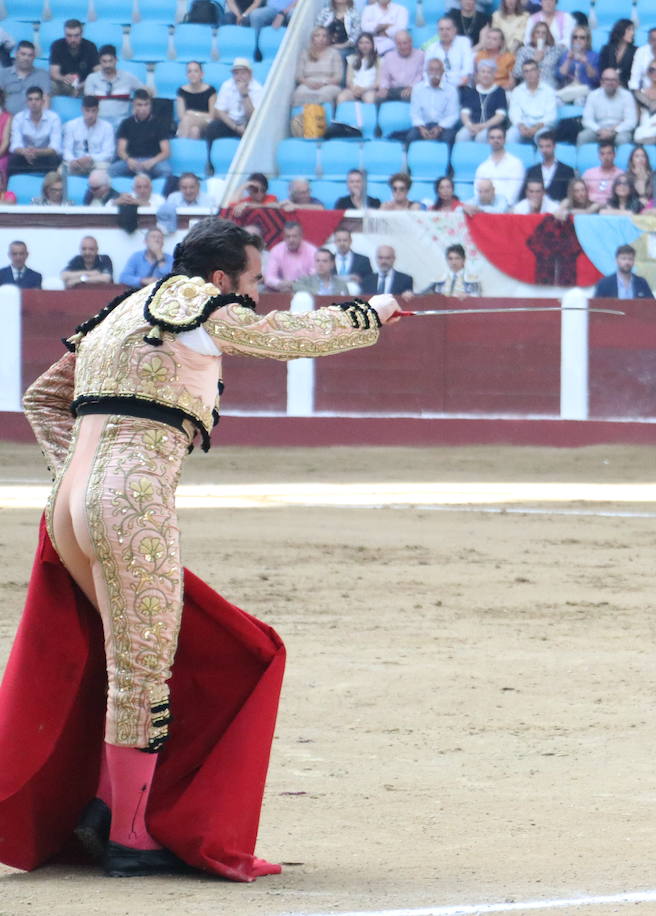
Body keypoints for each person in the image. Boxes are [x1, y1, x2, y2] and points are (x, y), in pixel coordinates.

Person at [5, 218, 402, 880]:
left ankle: (105, 807)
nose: (255, 297)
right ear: (220, 280)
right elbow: (290, 337)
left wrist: (75, 477)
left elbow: (41, 397)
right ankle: (131, 838)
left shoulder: (123, 312)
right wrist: (375, 313)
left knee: (128, 654)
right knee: (141, 667)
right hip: (130, 503)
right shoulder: (197, 304)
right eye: (251, 283)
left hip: (70, 507)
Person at [111, 90, 171, 179]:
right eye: (139, 105)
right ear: (134, 105)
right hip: (131, 160)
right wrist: (129, 160)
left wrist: (152, 161)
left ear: (151, 105)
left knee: (166, 171)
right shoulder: (126, 123)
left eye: (146, 104)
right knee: (110, 171)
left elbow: (166, 152)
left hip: (152, 160)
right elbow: (120, 150)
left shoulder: (159, 124)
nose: (143, 108)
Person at [205, 59, 263, 143]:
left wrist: (245, 95)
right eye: (236, 73)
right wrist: (235, 127)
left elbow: (253, 116)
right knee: (212, 128)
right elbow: (219, 111)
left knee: (254, 128)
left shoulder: (258, 89)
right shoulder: (227, 85)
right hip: (230, 122)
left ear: (250, 74)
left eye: (243, 73)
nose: (239, 77)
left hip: (248, 123)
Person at [84, 45, 144, 126]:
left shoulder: (127, 77)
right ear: (100, 62)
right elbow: (89, 103)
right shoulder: (92, 79)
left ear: (116, 60)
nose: (107, 65)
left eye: (110, 61)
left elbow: (145, 93)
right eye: (104, 61)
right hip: (99, 121)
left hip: (122, 121)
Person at [407, 57, 460, 146]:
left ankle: (447, 160)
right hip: (423, 125)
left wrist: (439, 128)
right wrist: (421, 128)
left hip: (443, 127)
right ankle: (407, 159)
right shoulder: (418, 89)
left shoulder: (451, 90)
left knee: (448, 138)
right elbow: (414, 113)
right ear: (427, 72)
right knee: (411, 137)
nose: (434, 73)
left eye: (437, 70)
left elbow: (453, 115)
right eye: (431, 70)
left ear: (443, 72)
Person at [9, 86, 63, 174]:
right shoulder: (18, 118)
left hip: (45, 156)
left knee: (54, 159)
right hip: (25, 156)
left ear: (42, 101)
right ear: (26, 102)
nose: (33, 102)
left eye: (37, 99)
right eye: (30, 99)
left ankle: (50, 185)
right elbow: (15, 145)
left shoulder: (54, 118)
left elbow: (55, 147)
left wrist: (37, 152)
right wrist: (25, 152)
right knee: (13, 160)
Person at [578, 67, 637, 145]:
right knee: (583, 137)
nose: (610, 83)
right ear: (601, 82)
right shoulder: (593, 95)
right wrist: (600, 130)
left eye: (613, 80)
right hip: (598, 130)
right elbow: (586, 120)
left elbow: (631, 121)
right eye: (607, 79)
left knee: (623, 139)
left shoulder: (627, 96)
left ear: (618, 82)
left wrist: (614, 131)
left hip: (619, 131)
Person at [62, 95, 116, 176]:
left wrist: (90, 158)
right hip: (76, 162)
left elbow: (108, 154)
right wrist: (73, 160)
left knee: (108, 170)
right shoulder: (71, 125)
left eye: (93, 111)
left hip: (97, 163)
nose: (90, 115)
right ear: (82, 110)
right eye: (87, 111)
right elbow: (66, 150)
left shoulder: (107, 127)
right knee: (61, 170)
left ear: (98, 111)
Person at [508, 57, 557, 144]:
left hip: (542, 126)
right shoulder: (517, 91)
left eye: (532, 70)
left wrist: (536, 128)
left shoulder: (548, 90)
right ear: (523, 74)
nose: (530, 74)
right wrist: (521, 126)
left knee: (543, 138)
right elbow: (514, 112)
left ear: (539, 71)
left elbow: (551, 116)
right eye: (526, 71)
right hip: (523, 125)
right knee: (510, 136)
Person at [458, 59, 508, 142]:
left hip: (492, 127)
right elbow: (464, 113)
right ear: (478, 74)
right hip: (472, 125)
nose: (486, 75)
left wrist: (484, 126)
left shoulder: (500, 92)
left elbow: (500, 116)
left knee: (481, 137)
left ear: (494, 75)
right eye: (483, 72)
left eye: (489, 72)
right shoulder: (472, 92)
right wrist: (469, 125)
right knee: (462, 136)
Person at [292, 27, 344, 106]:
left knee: (323, 95)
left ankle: (321, 117)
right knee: (299, 93)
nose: (321, 38)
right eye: (318, 35)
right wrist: (308, 83)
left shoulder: (334, 53)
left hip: (328, 84)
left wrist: (323, 83)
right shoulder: (305, 53)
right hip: (308, 83)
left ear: (328, 38)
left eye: (324, 36)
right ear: (313, 38)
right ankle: (300, 117)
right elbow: (299, 76)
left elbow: (338, 77)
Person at [48, 20, 99, 98]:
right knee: (49, 86)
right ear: (64, 34)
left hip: (84, 84)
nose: (73, 39)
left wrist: (82, 85)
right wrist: (63, 78)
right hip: (63, 83)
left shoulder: (90, 47)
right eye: (69, 35)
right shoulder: (57, 46)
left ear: (82, 34)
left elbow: (98, 72)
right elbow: (54, 73)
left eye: (76, 35)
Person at [474, 124, 524, 201]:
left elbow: (513, 193)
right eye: (492, 138)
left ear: (504, 140)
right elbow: (477, 190)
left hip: (507, 209)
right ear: (488, 141)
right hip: (485, 207)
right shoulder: (483, 166)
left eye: (499, 138)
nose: (495, 140)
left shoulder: (516, 163)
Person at [428, 14, 475, 88]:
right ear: (437, 31)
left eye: (448, 29)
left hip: (461, 88)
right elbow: (426, 72)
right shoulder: (432, 48)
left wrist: (451, 89)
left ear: (455, 30)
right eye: (441, 29)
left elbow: (467, 71)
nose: (444, 32)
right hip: (438, 88)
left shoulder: (464, 42)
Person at [556, 25, 598, 104]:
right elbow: (560, 76)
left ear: (587, 40)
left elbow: (595, 79)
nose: (578, 40)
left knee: (579, 100)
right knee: (556, 100)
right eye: (575, 37)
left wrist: (586, 63)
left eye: (582, 37)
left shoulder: (594, 56)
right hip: (568, 89)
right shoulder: (566, 55)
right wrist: (568, 60)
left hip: (585, 90)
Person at [174, 61, 216, 139]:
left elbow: (212, 116)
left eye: (196, 71)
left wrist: (193, 113)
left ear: (202, 74)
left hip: (206, 123)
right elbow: (181, 115)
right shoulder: (181, 91)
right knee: (194, 131)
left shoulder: (210, 90)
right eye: (189, 71)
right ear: (186, 75)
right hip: (188, 123)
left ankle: (182, 143)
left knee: (187, 119)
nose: (192, 74)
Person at [581, 139, 624, 205]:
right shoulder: (589, 173)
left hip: (610, 207)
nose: (606, 157)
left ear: (614, 155)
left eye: (609, 153)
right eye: (602, 154)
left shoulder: (621, 175)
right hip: (589, 204)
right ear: (599, 156)